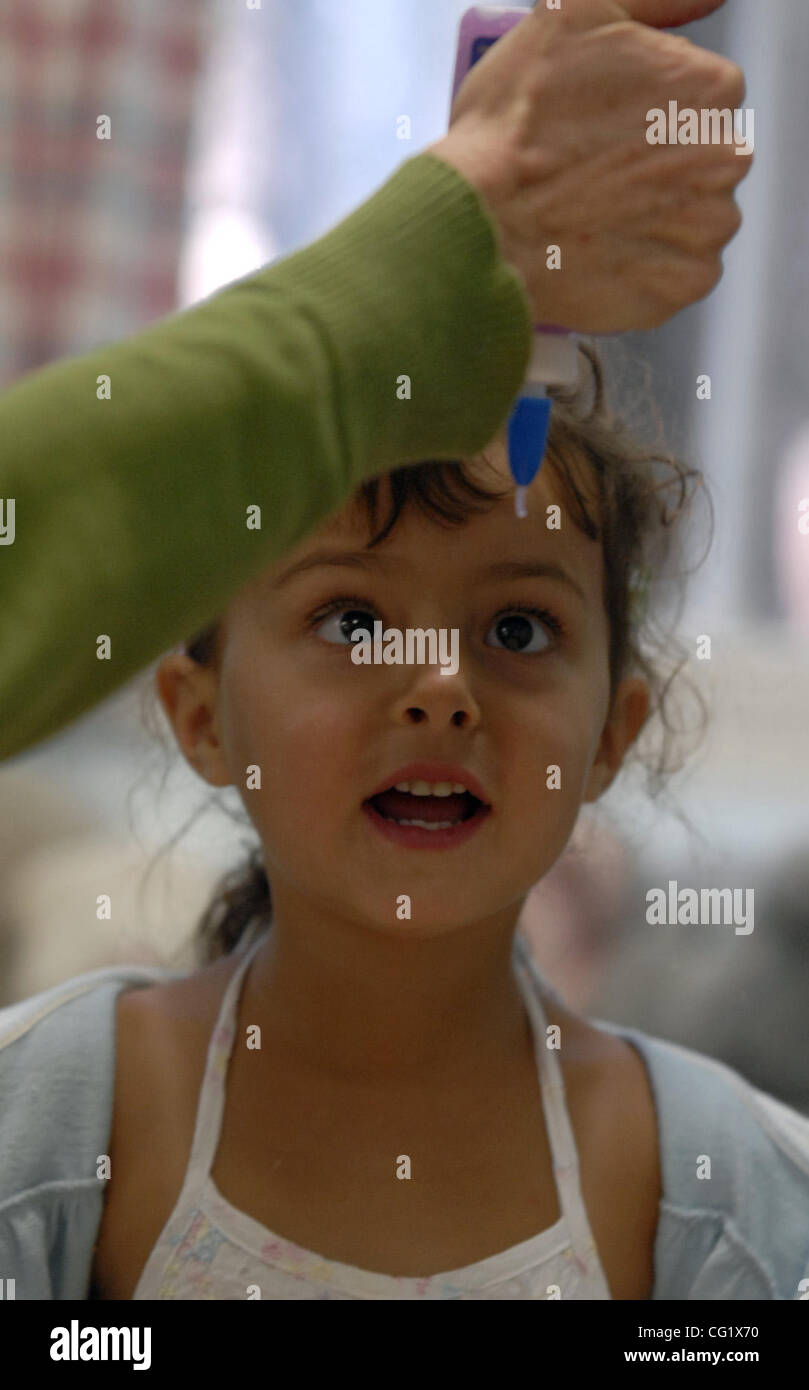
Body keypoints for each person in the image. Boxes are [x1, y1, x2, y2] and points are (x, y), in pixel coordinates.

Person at [4, 0, 804, 1304]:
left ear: (612, 731)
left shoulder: (728, 1202)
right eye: (353, 621)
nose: (440, 688)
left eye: (517, 629)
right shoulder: (44, 1133)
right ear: (199, 712)